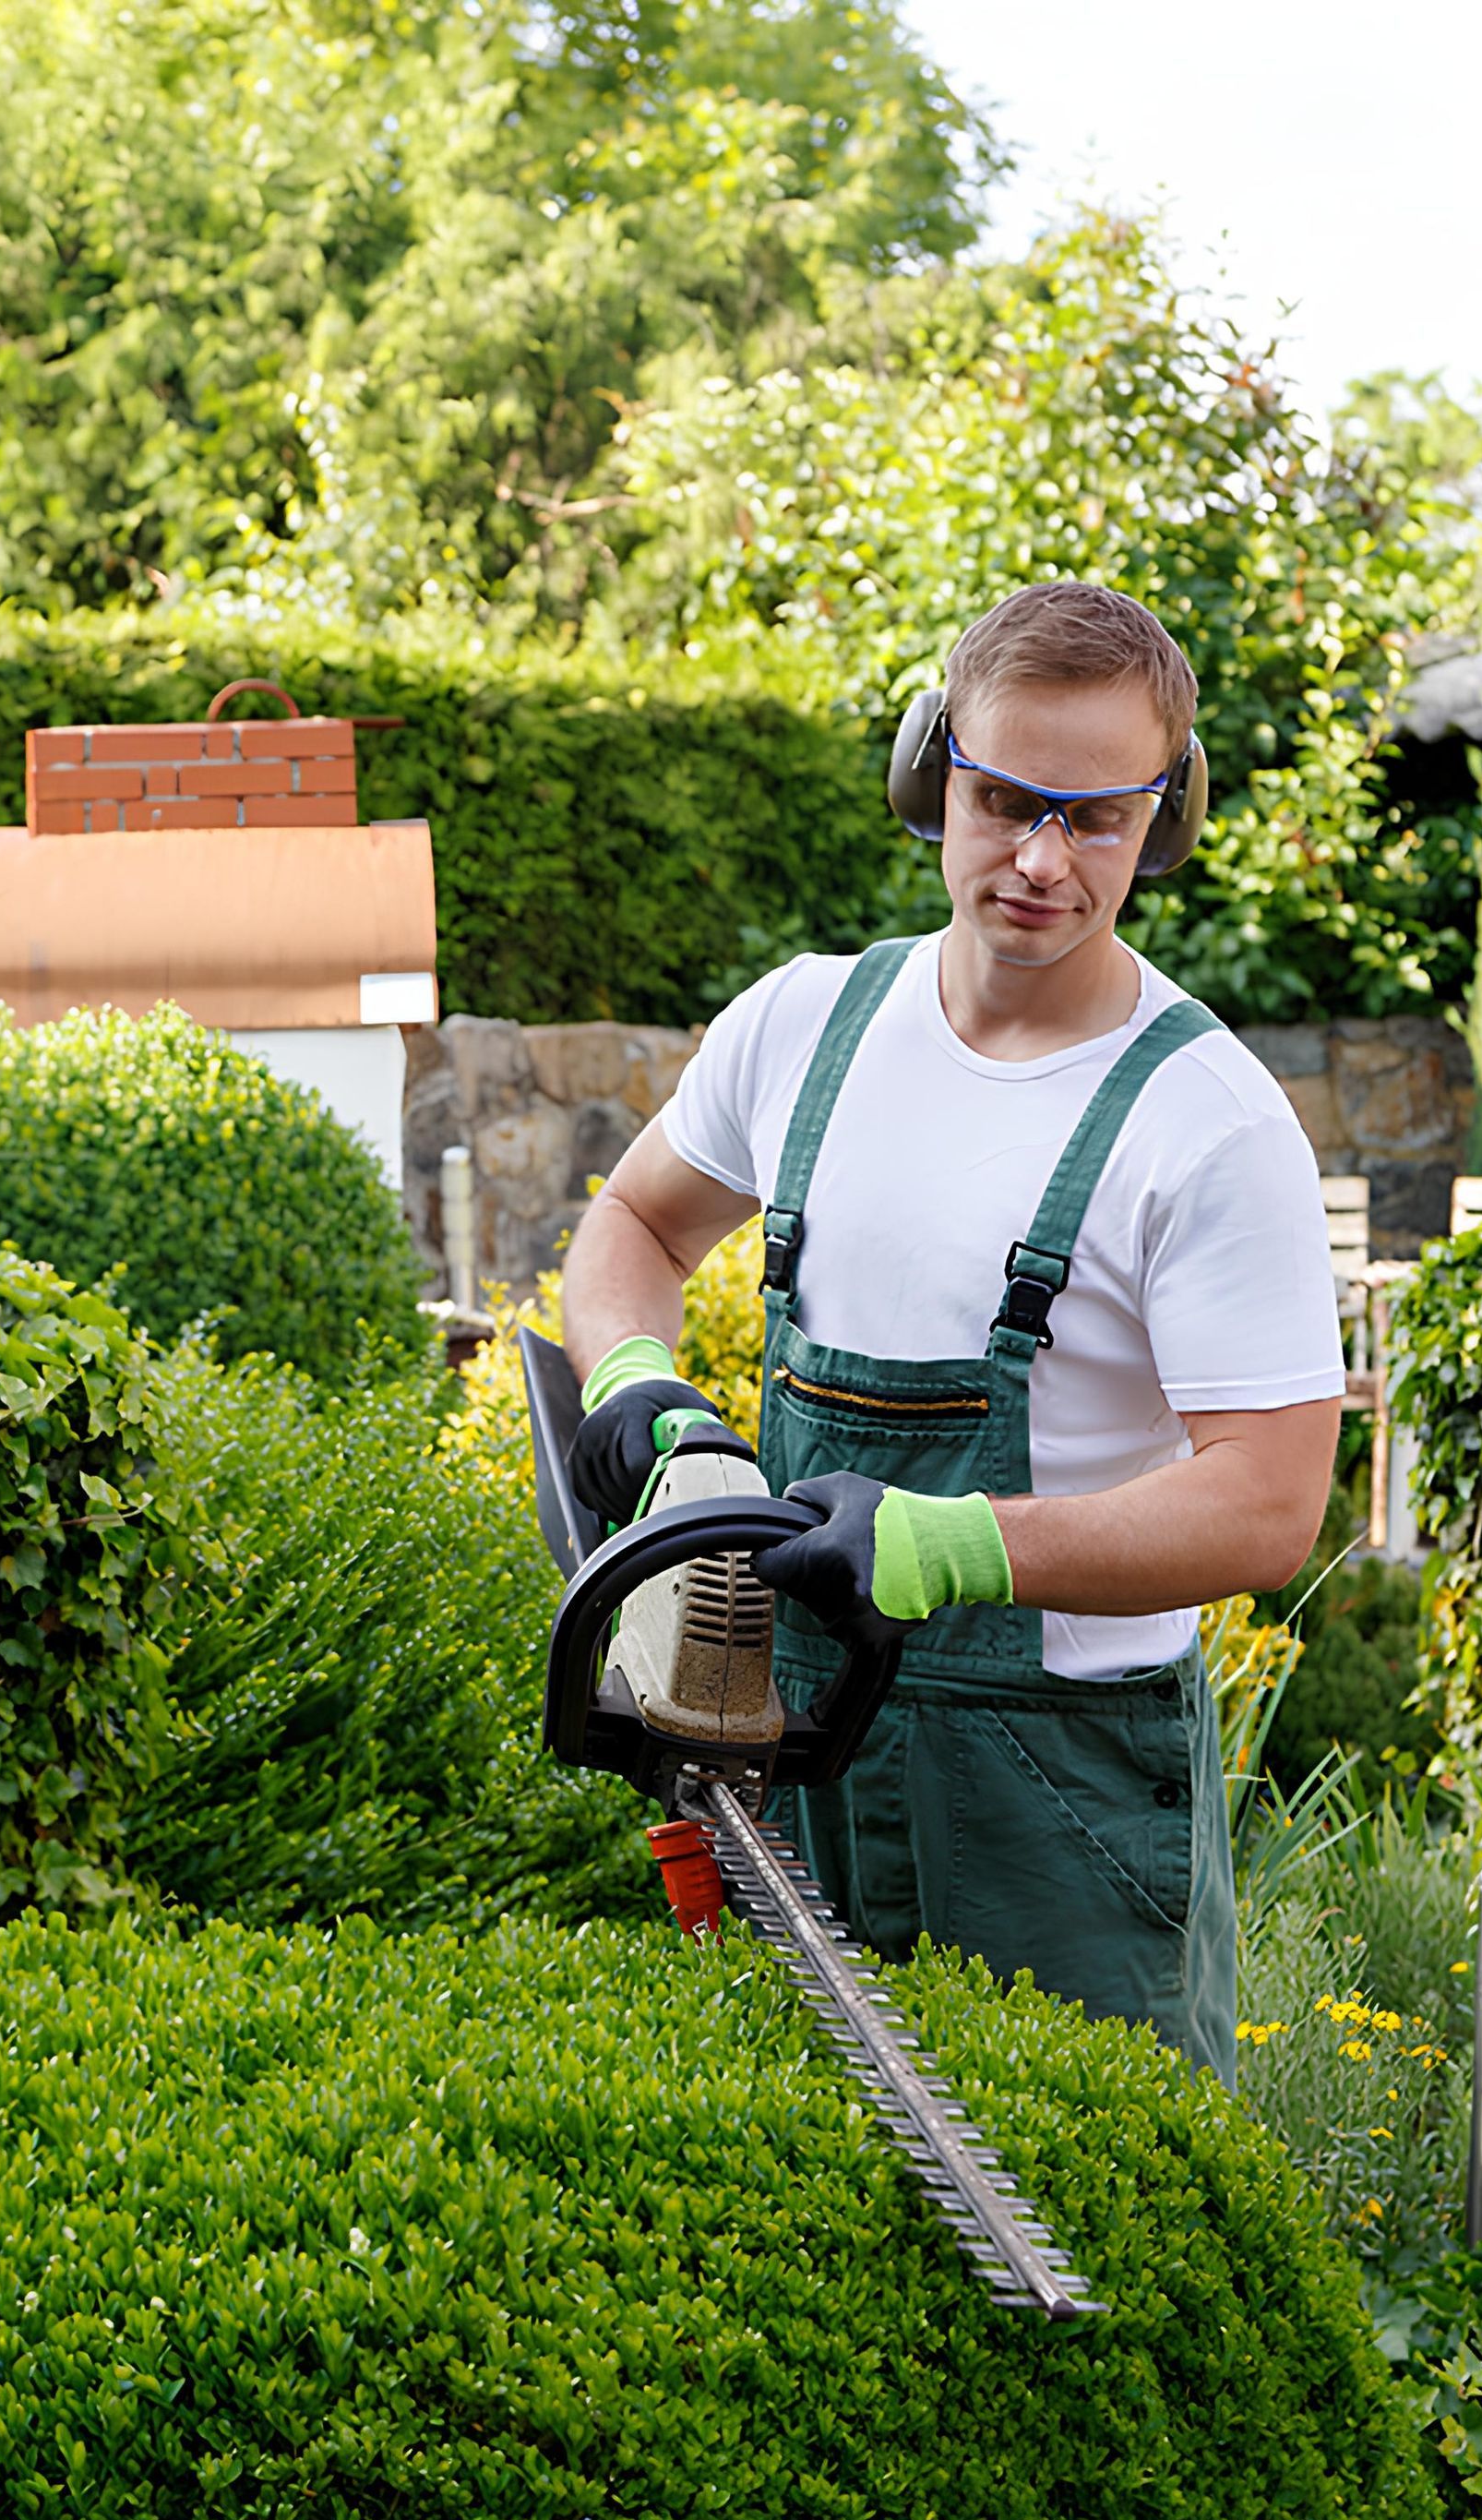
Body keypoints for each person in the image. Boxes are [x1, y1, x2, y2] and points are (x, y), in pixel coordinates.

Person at [559, 582, 1345, 2084]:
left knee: (1096, 2245)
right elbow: (637, 1228)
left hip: (1055, 1801)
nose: (1043, 860)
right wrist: (637, 1385)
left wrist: (957, 1547)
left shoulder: (1207, 1118)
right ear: (934, 774)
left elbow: (1269, 1503)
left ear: (1162, 821)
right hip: (782, 1744)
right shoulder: (803, 1025)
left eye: (1096, 819)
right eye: (1004, 802)